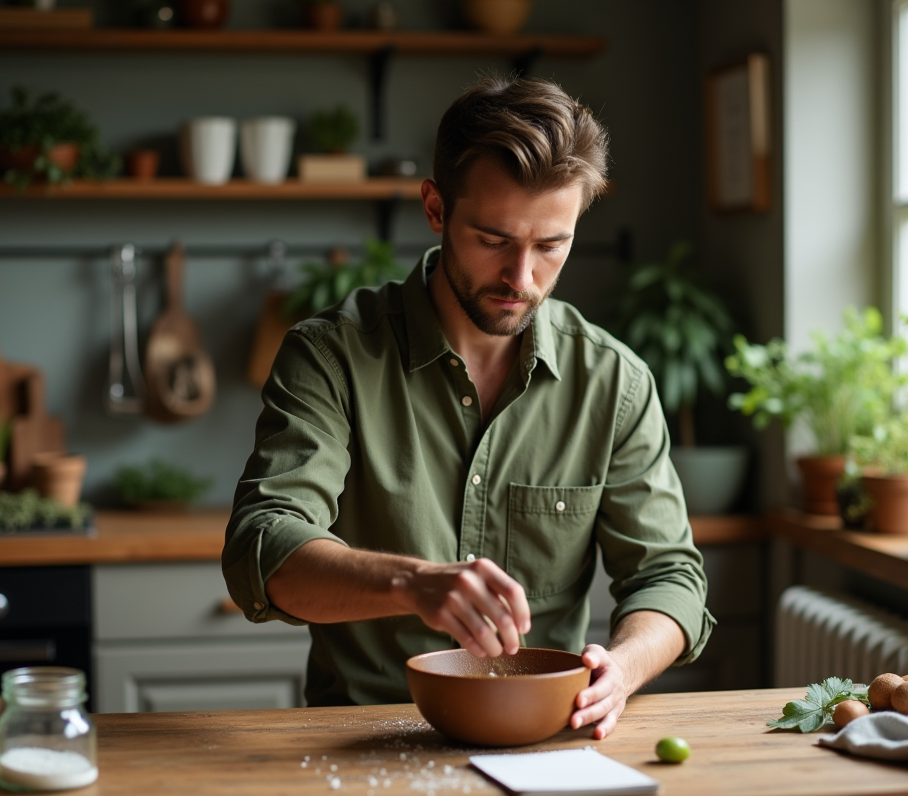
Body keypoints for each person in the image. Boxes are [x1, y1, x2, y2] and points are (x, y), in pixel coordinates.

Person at [224, 75, 715, 740]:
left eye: (551, 246)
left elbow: (669, 574)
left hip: (549, 741)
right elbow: (263, 548)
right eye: (493, 239)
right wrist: (412, 583)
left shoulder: (613, 381)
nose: (521, 277)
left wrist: (622, 669)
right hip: (362, 741)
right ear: (435, 208)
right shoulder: (332, 355)